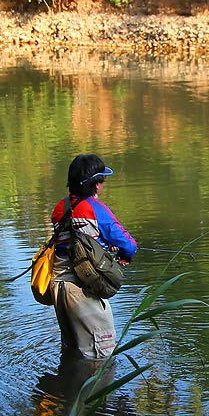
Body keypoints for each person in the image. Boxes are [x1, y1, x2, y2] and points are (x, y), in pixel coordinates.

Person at [50, 154, 138, 360]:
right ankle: (101, 392)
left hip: (59, 289)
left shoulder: (59, 209)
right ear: (96, 185)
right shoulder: (95, 209)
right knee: (102, 357)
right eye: (102, 181)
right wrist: (124, 254)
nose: (102, 186)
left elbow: (72, 242)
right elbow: (129, 245)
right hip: (83, 292)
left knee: (73, 354)